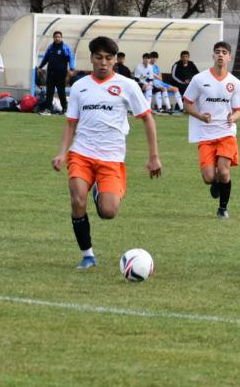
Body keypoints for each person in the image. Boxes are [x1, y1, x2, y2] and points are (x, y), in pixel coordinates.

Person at [52, 36, 162, 270]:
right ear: (91, 58)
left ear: (115, 60)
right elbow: (71, 123)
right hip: (81, 153)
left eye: (108, 58)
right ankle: (88, 255)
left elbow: (148, 119)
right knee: (76, 199)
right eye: (99, 57)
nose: (104, 62)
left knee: (108, 211)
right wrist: (62, 153)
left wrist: (154, 157)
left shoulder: (127, 85)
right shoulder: (80, 86)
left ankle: (99, 192)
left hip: (111, 158)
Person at [183, 41, 240, 219]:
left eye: (224, 52)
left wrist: (233, 117)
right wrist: (201, 116)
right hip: (206, 134)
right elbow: (187, 104)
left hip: (226, 133)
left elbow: (238, 110)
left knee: (224, 171)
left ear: (229, 57)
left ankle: (223, 208)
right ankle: (217, 184)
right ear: (213, 56)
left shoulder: (235, 83)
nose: (221, 55)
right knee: (209, 178)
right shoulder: (199, 79)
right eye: (217, 52)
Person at [37, 31, 75, 115]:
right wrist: (40, 67)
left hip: (61, 74)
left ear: (61, 38)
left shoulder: (65, 48)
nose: (57, 38)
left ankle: (65, 109)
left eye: (59, 37)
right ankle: (48, 109)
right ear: (53, 38)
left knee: (61, 91)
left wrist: (72, 68)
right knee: (49, 91)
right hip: (50, 73)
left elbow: (71, 58)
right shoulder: (50, 47)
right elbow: (46, 58)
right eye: (55, 37)